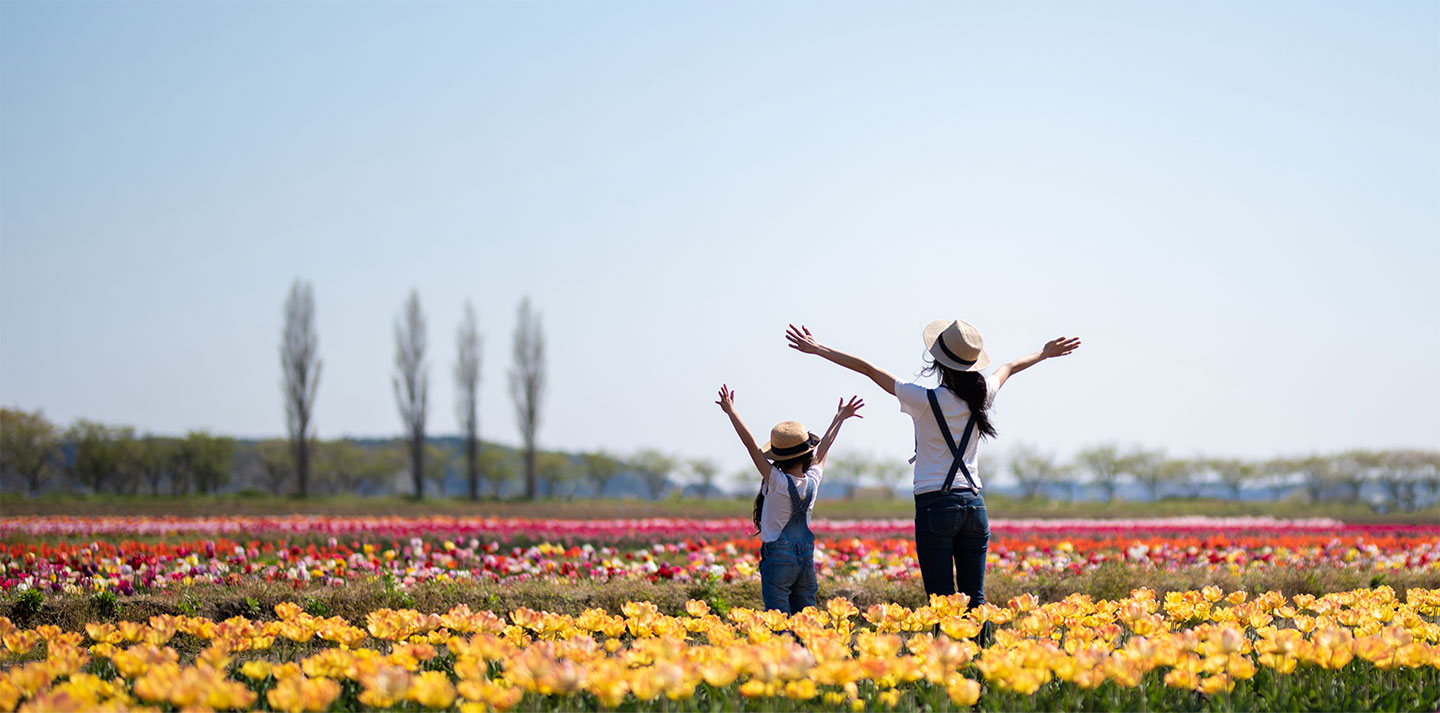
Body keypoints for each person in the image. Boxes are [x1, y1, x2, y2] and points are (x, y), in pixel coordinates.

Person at [785, 321, 1079, 606]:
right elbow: (1010, 367)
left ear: (939, 363)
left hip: (934, 505)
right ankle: (985, 655)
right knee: (974, 599)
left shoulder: (922, 399)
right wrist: (1044, 353)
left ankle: (948, 655)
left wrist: (819, 348)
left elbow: (869, 369)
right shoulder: (983, 394)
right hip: (975, 505)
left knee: (941, 600)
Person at [716, 384, 864, 614]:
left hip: (778, 561)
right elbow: (825, 447)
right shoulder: (812, 480)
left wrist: (731, 412)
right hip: (805, 560)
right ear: (808, 454)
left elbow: (751, 445)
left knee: (780, 621)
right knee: (805, 621)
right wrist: (840, 417)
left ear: (778, 457)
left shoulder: (776, 481)